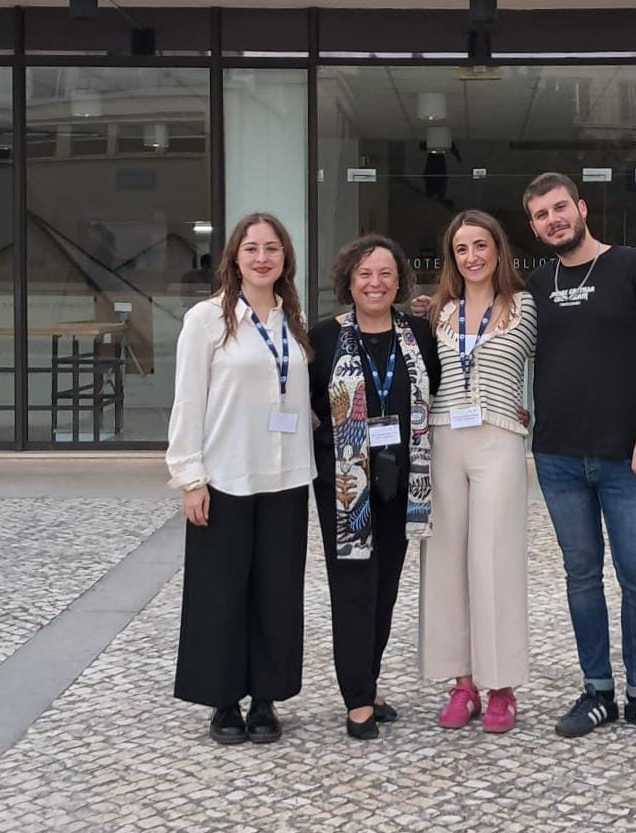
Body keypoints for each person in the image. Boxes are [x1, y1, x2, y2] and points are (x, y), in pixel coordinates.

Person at [523, 172, 636, 742]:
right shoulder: (537, 285)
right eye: (542, 214)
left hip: (629, 458)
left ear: (582, 207)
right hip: (558, 458)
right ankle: (597, 689)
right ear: (534, 226)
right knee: (581, 575)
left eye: (560, 207)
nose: (554, 219)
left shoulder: (634, 266)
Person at [166, 212, 315, 746]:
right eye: (251, 248)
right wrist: (189, 475)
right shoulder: (206, 319)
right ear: (234, 257)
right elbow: (188, 400)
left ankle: (266, 698)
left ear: (284, 259)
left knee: (277, 593)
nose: (261, 257)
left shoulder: (292, 320)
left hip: (286, 477)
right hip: (225, 475)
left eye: (271, 248)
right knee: (220, 592)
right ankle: (224, 698)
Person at [309, 235, 440, 740]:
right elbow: (304, 405)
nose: (375, 283)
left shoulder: (420, 334)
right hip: (346, 485)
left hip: (405, 481)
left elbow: (445, 390)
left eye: (385, 274)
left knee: (386, 590)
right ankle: (357, 699)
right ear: (348, 280)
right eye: (365, 274)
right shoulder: (323, 337)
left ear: (400, 281)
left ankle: (371, 681)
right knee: (354, 590)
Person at [420, 211, 537, 734]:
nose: (472, 256)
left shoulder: (525, 307)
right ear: (452, 256)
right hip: (445, 437)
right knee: (445, 560)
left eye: (481, 245)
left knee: (495, 561)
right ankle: (461, 681)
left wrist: (530, 407)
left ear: (497, 250)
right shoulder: (438, 313)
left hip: (499, 440)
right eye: (462, 248)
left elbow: (553, 364)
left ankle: (502, 686)